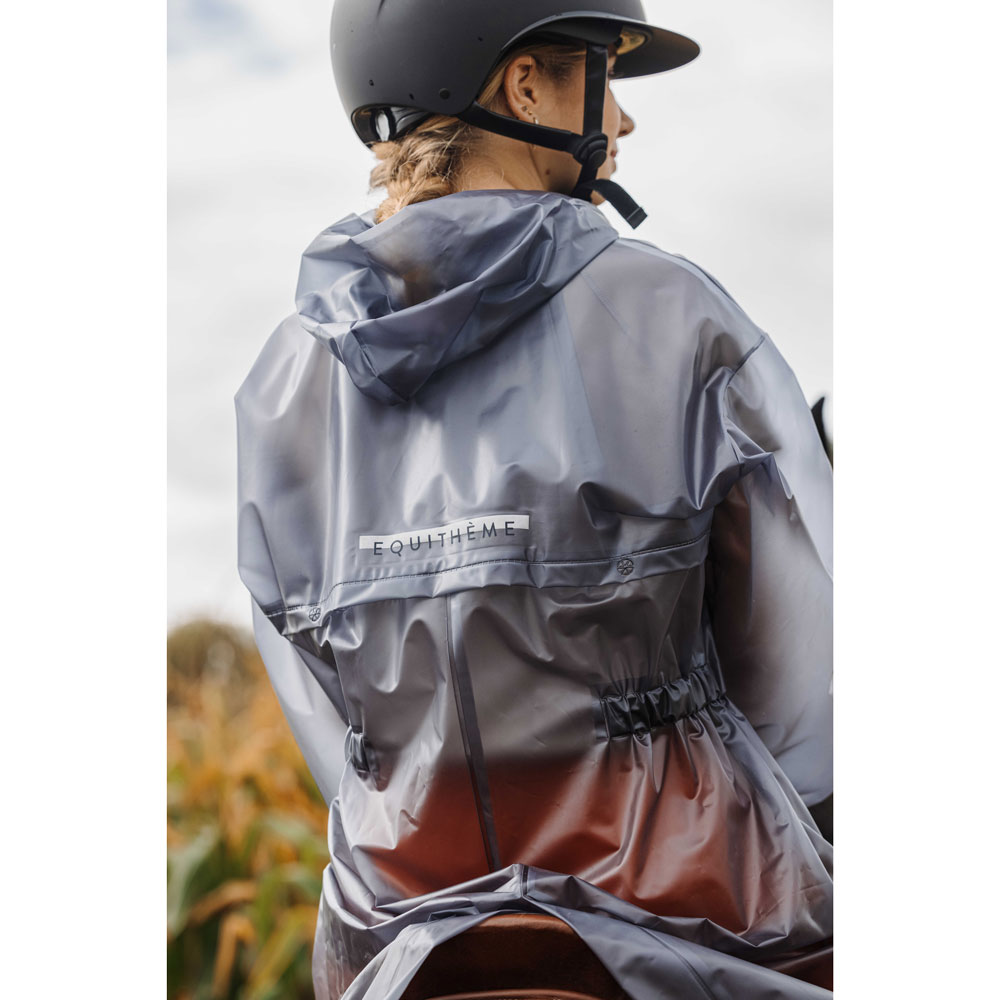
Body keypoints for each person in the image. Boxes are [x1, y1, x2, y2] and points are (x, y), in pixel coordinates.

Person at [236, 2, 833, 997]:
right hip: (697, 925)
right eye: (603, 74)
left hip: (396, 937)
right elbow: (802, 692)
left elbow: (328, 714)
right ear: (523, 87)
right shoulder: (679, 319)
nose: (623, 120)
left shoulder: (286, 378)